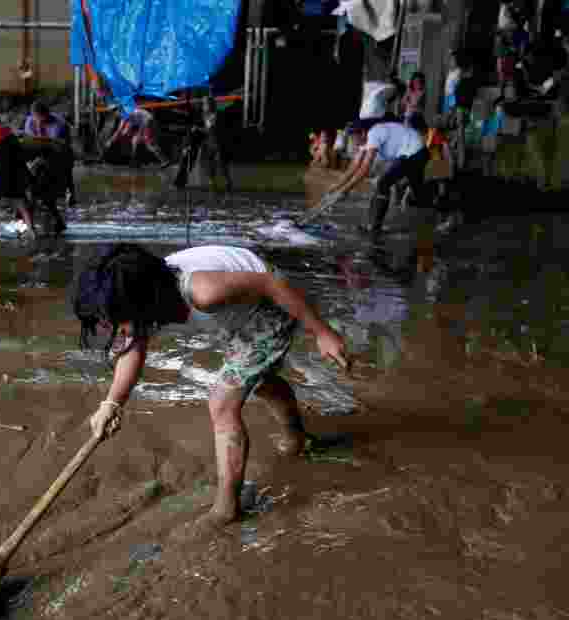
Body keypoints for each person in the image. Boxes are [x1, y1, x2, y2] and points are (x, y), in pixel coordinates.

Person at [74, 244, 349, 531]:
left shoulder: (203, 291)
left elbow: (272, 285)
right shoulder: (141, 292)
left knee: (222, 402)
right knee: (259, 380)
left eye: (116, 321)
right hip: (238, 308)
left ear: (144, 304)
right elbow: (132, 350)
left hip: (269, 303)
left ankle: (226, 508)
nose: (112, 329)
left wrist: (322, 332)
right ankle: (297, 438)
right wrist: (111, 404)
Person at [325, 115, 429, 237]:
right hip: (415, 152)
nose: (353, 142)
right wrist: (335, 186)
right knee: (419, 194)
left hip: (415, 153)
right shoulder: (365, 139)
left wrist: (345, 190)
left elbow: (364, 169)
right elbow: (353, 167)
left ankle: (374, 227)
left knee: (383, 183)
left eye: (353, 138)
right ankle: (438, 218)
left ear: (362, 133)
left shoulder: (374, 133)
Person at [23, 100, 78, 207]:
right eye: (36, 118)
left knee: (66, 169)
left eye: (41, 119)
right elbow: (31, 140)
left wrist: (38, 135)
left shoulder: (59, 123)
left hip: (61, 151)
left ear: (47, 114)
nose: (38, 122)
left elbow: (54, 142)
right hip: (41, 150)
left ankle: (71, 192)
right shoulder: (30, 120)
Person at [102, 107, 172, 167]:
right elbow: (122, 131)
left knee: (149, 143)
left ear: (117, 111)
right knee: (134, 140)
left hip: (147, 122)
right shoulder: (125, 113)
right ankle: (135, 161)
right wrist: (112, 140)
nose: (114, 115)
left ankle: (164, 160)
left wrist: (110, 141)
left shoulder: (125, 114)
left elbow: (119, 131)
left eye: (113, 113)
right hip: (145, 121)